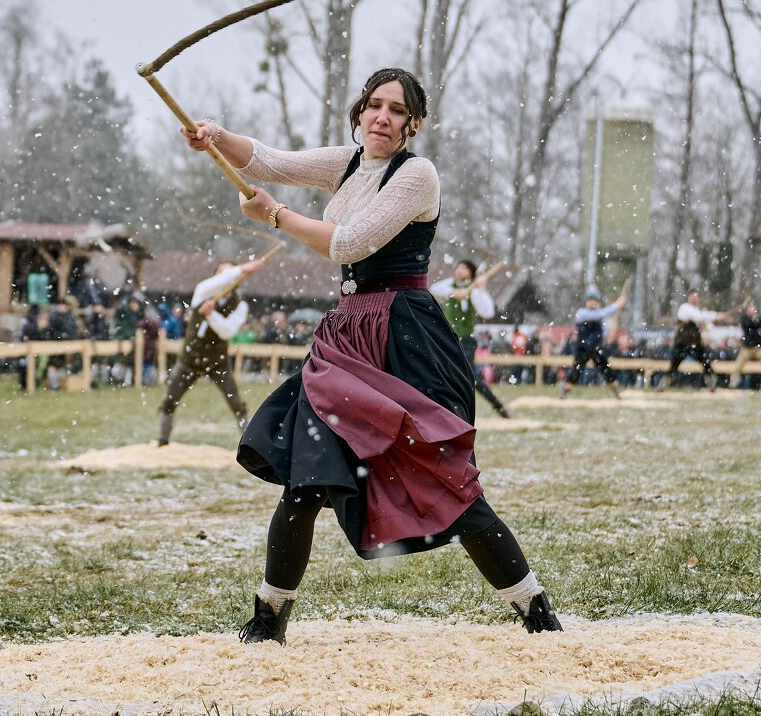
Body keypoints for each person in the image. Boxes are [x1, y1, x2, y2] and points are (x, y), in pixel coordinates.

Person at [185, 66, 561, 644]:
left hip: (404, 337)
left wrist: (276, 216)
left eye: (396, 110)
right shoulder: (347, 161)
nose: (382, 117)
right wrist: (215, 136)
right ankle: (268, 619)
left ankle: (536, 611)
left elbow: (349, 242)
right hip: (346, 336)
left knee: (446, 484)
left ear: (414, 124)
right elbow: (270, 161)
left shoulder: (418, 175)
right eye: (374, 105)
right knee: (305, 480)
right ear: (360, 111)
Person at [156, 259, 262, 446]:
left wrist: (211, 314)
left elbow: (226, 331)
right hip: (190, 359)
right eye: (222, 274)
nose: (227, 278)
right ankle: (163, 440)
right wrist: (241, 269)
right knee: (170, 399)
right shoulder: (203, 292)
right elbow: (213, 283)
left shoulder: (240, 306)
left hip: (217, 362)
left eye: (231, 274)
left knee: (236, 403)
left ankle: (249, 444)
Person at [429, 260, 512, 418]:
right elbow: (434, 288)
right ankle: (446, 410)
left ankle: (496, 406)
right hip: (447, 338)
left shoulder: (474, 291)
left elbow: (487, 312)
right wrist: (454, 292)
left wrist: (482, 289)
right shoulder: (450, 284)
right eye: (459, 267)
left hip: (466, 340)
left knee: (469, 377)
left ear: (471, 273)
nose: (460, 271)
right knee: (442, 373)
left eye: (465, 268)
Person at [563, 284, 628, 399]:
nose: (593, 303)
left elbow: (602, 329)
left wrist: (607, 335)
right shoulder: (582, 313)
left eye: (595, 300)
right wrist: (617, 305)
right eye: (590, 300)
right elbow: (600, 314)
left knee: (606, 369)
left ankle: (615, 391)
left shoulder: (599, 316)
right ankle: (564, 392)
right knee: (576, 370)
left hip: (596, 348)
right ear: (586, 301)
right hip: (583, 348)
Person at [671, 291, 728, 392]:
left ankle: (712, 387)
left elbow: (706, 324)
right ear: (688, 298)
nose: (694, 299)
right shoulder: (685, 308)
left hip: (695, 343)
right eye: (692, 297)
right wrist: (715, 316)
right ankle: (662, 386)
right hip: (682, 343)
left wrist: (717, 316)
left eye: (696, 297)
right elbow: (698, 317)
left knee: (706, 363)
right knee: (673, 366)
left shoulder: (698, 311)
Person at [733, 302, 761, 390]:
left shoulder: (758, 320)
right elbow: (751, 324)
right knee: (737, 367)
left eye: (754, 308)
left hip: (758, 348)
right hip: (747, 348)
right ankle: (732, 385)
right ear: (747, 310)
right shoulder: (745, 318)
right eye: (751, 308)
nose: (753, 310)